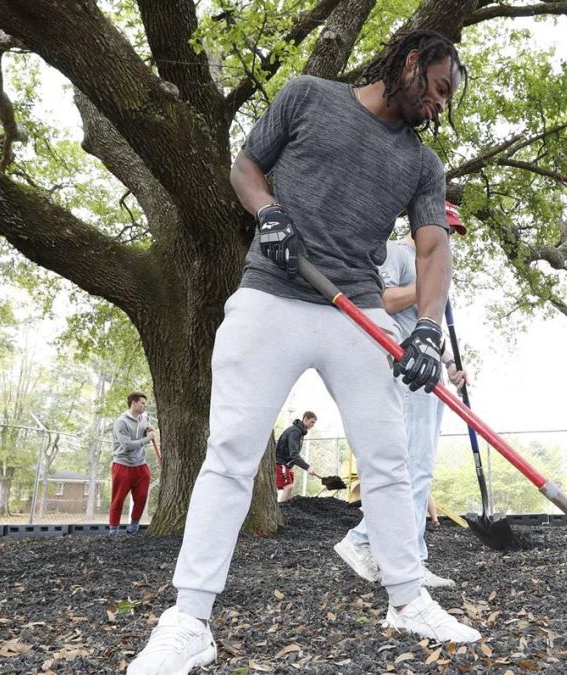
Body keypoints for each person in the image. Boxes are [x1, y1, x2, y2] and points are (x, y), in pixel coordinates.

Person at [127, 29, 481, 675]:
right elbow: (245, 167)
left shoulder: (423, 164)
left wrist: (427, 327)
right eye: (435, 90)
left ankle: (406, 596)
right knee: (231, 451)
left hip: (358, 308)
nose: (438, 108)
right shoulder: (307, 96)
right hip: (272, 295)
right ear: (410, 62)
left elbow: (433, 250)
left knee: (388, 458)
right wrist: (267, 212)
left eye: (444, 101)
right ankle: (189, 618)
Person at [334, 202, 468, 588]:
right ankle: (362, 540)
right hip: (405, 372)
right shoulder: (396, 253)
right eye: (446, 229)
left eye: (454, 233)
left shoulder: (431, 266)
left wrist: (450, 363)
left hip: (429, 372)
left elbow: (424, 324)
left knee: (420, 467)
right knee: (410, 465)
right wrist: (429, 283)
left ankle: (411, 558)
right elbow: (380, 301)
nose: (449, 238)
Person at [110, 392, 155, 535]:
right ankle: (113, 530)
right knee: (118, 500)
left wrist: (148, 429)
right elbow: (127, 445)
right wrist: (147, 439)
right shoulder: (121, 422)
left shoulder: (144, 418)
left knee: (141, 497)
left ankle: (133, 527)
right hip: (123, 465)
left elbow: (142, 431)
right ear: (134, 403)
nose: (145, 406)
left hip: (140, 465)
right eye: (143, 403)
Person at [275, 411, 319, 502]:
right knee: (288, 487)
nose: (313, 425)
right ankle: (281, 512)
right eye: (312, 422)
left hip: (287, 464)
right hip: (280, 462)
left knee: (290, 487)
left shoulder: (299, 432)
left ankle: (287, 511)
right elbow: (294, 454)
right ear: (305, 419)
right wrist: (308, 467)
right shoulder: (295, 431)